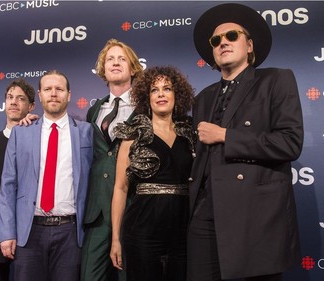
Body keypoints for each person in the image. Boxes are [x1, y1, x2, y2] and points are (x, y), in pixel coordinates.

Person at [188, 3, 303, 281]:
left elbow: (289, 143)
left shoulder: (276, 79)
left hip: (254, 215)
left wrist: (227, 136)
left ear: (249, 45)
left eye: (232, 36)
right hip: (205, 213)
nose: (223, 43)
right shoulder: (203, 97)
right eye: (216, 40)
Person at [0, 70, 93, 281]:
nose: (53, 94)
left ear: (69, 95)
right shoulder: (21, 132)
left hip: (70, 233)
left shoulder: (87, 132)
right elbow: (7, 186)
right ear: (39, 95)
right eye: (48, 89)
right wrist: (7, 233)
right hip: (29, 232)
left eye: (59, 89)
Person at [110, 66, 196, 281]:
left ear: (177, 95)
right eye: (154, 90)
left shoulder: (190, 134)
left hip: (183, 231)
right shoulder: (133, 136)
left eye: (167, 89)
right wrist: (115, 239)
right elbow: (121, 188)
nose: (160, 94)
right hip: (142, 229)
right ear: (146, 97)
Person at [81, 38, 144, 281]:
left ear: (133, 68)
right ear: (102, 69)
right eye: (110, 59)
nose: (115, 63)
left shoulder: (146, 107)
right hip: (96, 214)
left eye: (121, 59)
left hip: (132, 208)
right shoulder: (94, 110)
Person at [0, 79, 35, 281]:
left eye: (20, 99)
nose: (13, 102)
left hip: (30, 232)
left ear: (31, 106)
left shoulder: (38, 140)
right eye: (10, 97)